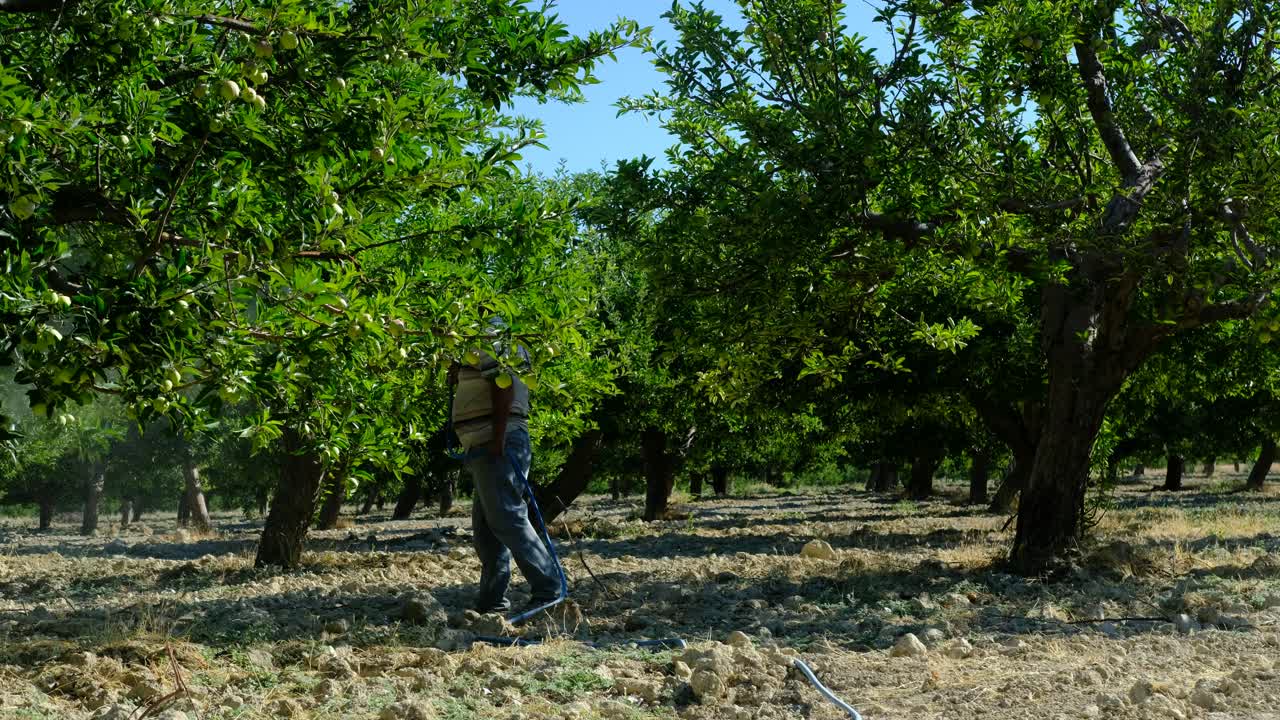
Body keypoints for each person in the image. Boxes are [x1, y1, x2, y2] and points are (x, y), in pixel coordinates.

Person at [448, 317, 561, 615]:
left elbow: (503, 386)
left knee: (506, 517)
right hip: (485, 442)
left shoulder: (490, 336)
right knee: (487, 528)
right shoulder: (486, 339)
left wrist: (497, 437)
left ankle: (549, 588)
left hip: (496, 440)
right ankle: (492, 602)